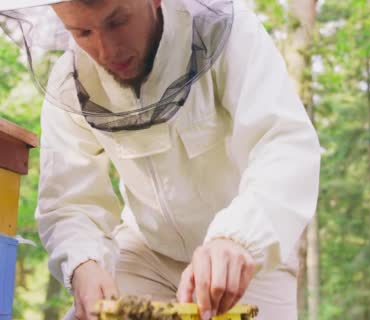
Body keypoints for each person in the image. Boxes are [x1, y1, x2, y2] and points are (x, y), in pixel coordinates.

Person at [0, 0, 321, 319]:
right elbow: (69, 200)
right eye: (83, 32)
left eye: (118, 22)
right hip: (144, 252)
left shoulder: (232, 33)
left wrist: (239, 238)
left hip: (245, 258)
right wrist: (84, 263)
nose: (106, 50)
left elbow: (282, 143)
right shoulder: (70, 80)